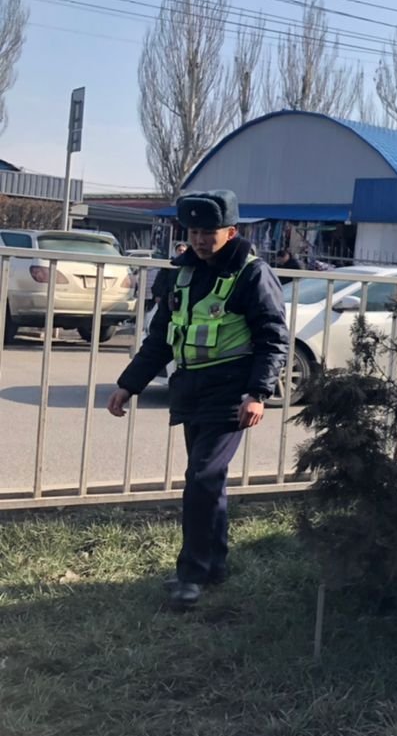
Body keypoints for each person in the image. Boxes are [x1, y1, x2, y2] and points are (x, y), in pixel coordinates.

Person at [107, 191, 289, 610]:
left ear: (231, 231)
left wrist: (258, 393)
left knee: (202, 478)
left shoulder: (252, 274)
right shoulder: (181, 273)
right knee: (210, 481)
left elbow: (273, 339)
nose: (202, 240)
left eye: (210, 231)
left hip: (231, 392)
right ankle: (214, 566)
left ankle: (191, 575)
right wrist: (128, 384)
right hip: (191, 390)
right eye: (194, 231)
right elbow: (160, 339)